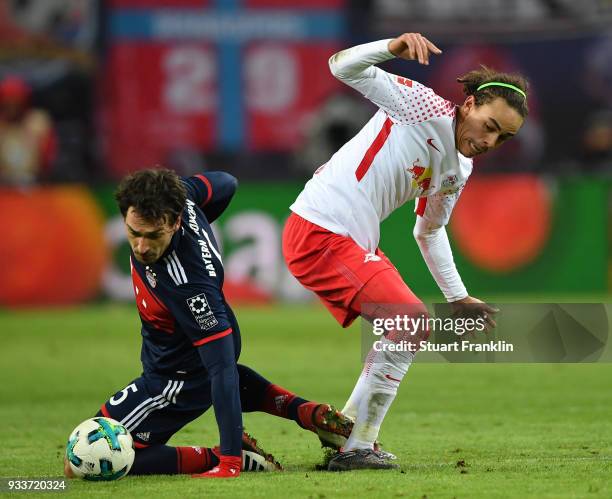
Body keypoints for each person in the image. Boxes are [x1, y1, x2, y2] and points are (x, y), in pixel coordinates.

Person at [282, 33, 528, 471]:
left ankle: (345, 431)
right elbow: (341, 66)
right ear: (468, 104)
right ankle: (358, 443)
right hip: (321, 228)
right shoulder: (424, 105)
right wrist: (391, 47)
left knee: (407, 325)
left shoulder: (459, 168)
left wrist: (457, 296)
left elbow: (429, 231)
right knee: (410, 321)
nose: (491, 141)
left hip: (347, 239)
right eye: (490, 126)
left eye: (503, 138)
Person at [64, 168, 352, 479]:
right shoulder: (182, 199)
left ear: (175, 223)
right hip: (193, 346)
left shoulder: (188, 284)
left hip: (173, 378)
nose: (142, 247)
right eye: (134, 233)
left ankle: (224, 456)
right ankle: (305, 412)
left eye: (153, 236)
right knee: (211, 374)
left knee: (82, 460)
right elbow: (227, 182)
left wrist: (228, 462)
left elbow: (222, 370)